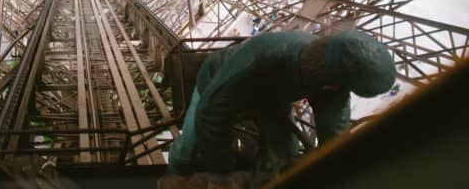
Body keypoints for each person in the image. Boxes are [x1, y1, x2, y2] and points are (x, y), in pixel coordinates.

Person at [168, 29, 396, 180]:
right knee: (189, 144)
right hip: (216, 81)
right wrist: (221, 173)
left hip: (273, 95)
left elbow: (334, 135)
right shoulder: (262, 58)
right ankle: (174, 173)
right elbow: (211, 111)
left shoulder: (331, 74)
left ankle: (265, 176)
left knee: (287, 156)